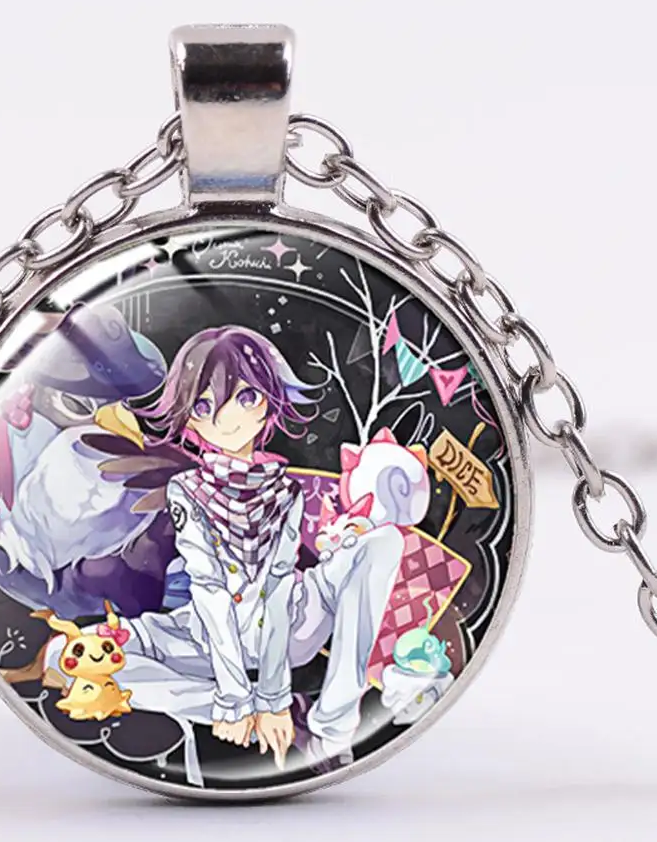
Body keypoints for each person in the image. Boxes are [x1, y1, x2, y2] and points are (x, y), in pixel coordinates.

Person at [44, 324, 413, 776]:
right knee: (64, 655)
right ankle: (248, 717)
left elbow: (277, 590)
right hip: (208, 635)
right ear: (188, 417)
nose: (226, 419)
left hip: (292, 623)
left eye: (245, 398)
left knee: (383, 542)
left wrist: (273, 694)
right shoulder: (187, 491)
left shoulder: (285, 493)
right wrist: (235, 699)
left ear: (269, 401)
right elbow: (210, 592)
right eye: (203, 406)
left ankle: (332, 727)